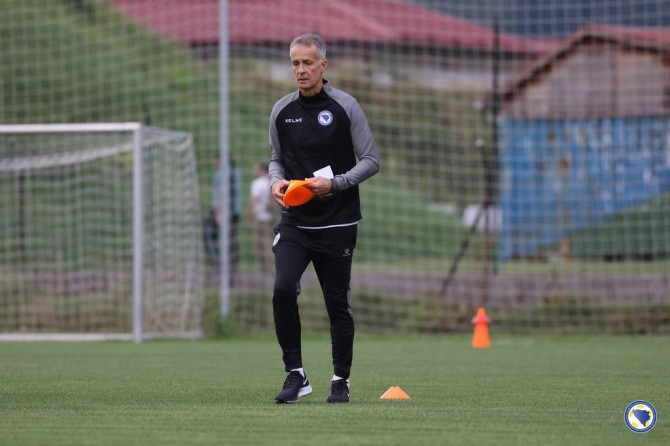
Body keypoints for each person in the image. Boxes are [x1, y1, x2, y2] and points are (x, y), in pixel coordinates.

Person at [268, 34, 380, 404]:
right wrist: (275, 182)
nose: (300, 70)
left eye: (307, 63)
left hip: (337, 223)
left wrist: (335, 184)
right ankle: (296, 375)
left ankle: (340, 380)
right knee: (283, 289)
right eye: (295, 63)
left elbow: (371, 160)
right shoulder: (281, 110)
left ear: (323, 65)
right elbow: (276, 160)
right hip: (295, 223)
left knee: (337, 304)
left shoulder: (346, 106)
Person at [203, 153, 242, 276]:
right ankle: (230, 270)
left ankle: (219, 266)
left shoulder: (222, 173)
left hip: (223, 211)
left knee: (208, 234)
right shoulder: (236, 172)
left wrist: (219, 213)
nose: (213, 162)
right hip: (234, 212)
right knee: (231, 241)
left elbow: (222, 191)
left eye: (215, 160)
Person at [246, 162, 275, 273]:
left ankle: (268, 268)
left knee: (261, 243)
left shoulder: (257, 183)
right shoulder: (269, 181)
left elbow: (254, 199)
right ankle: (268, 268)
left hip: (260, 217)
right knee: (265, 241)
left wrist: (249, 216)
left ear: (261, 169)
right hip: (270, 216)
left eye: (256, 167)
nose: (254, 169)